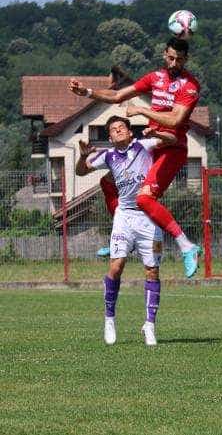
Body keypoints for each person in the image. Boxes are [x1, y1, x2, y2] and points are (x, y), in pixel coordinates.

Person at [68, 37, 201, 278]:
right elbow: (118, 96)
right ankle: (120, 235)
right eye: (171, 58)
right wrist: (86, 92)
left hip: (172, 148)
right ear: (164, 54)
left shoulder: (189, 85)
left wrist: (141, 110)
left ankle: (187, 246)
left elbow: (176, 121)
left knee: (144, 199)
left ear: (186, 60)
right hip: (153, 144)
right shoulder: (154, 78)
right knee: (107, 182)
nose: (174, 63)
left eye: (180, 60)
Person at [76, 116, 177, 346]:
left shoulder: (144, 144)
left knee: (152, 270)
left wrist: (157, 134)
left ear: (130, 132)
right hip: (125, 217)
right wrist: (83, 156)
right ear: (110, 138)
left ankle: (149, 325)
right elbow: (81, 172)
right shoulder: (108, 156)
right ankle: (109, 319)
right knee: (116, 265)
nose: (118, 130)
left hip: (150, 216)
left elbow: (173, 139)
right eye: (113, 129)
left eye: (122, 127)